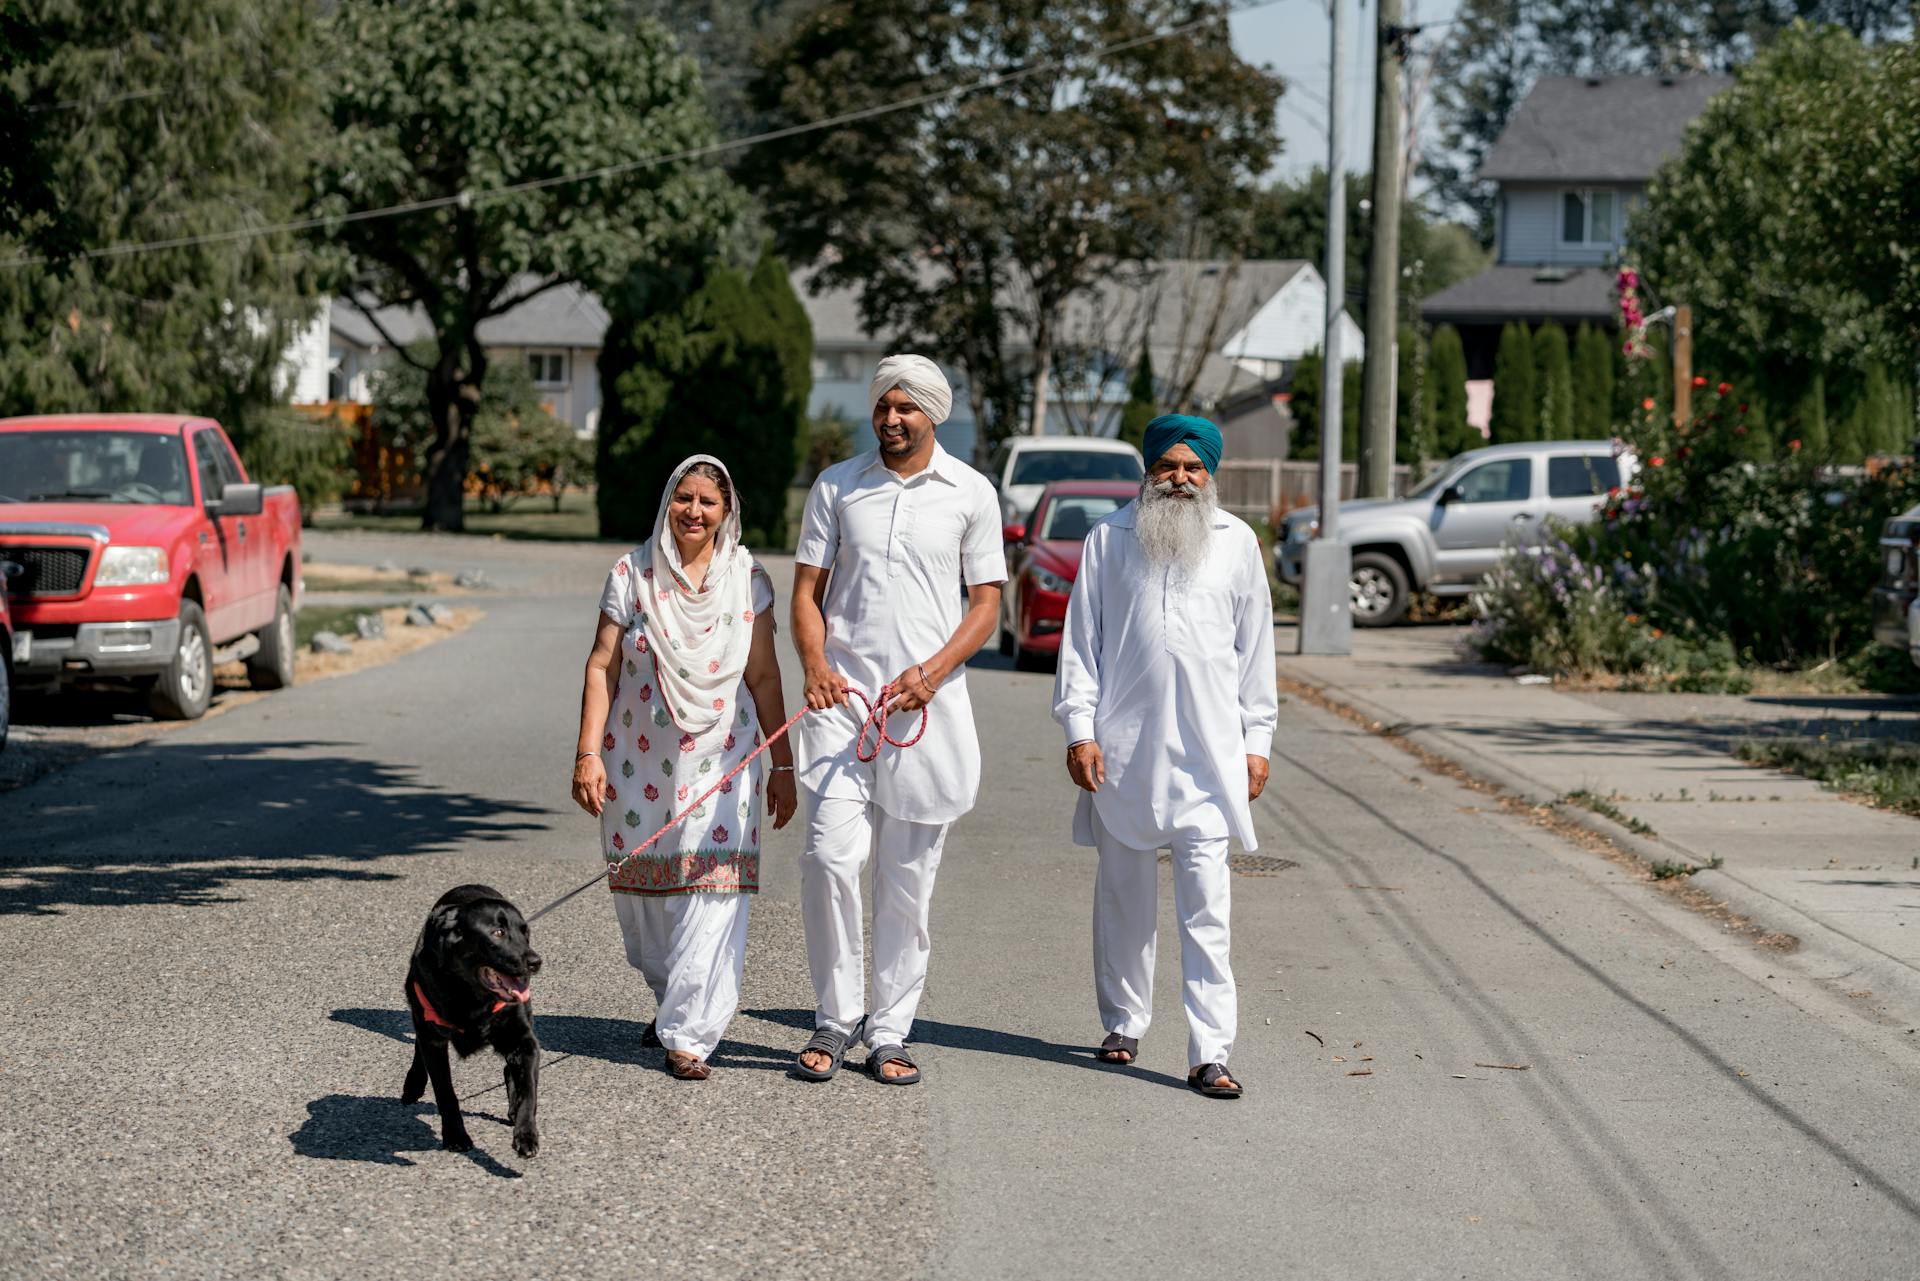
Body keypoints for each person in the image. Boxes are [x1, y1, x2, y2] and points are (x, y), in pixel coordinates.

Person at [789, 354, 1005, 1085]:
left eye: (906, 408)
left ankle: (889, 1029)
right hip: (841, 712)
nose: (891, 419)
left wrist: (931, 675)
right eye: (883, 406)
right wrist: (815, 665)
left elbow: (986, 606)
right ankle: (834, 1015)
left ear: (933, 413)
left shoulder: (970, 493)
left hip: (925, 715)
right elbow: (807, 592)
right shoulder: (837, 486)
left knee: (907, 882)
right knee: (827, 859)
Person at [1051, 414, 1278, 1100]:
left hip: (1210, 760)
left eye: (1193, 467)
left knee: (1207, 906)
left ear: (1211, 474)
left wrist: (1257, 741)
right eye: (1168, 466)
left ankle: (1211, 1050)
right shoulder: (1108, 539)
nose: (1180, 478)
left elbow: (1256, 652)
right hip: (1124, 752)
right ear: (1147, 471)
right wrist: (1078, 731)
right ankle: (1123, 1022)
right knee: (1123, 898)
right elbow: (1080, 646)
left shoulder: (1237, 544)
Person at [571, 455, 798, 1081]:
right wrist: (587, 753)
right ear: (668, 501)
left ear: (727, 513)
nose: (694, 512)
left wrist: (783, 766)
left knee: (711, 890)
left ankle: (691, 1034)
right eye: (684, 498)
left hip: (725, 762)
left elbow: (764, 677)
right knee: (646, 907)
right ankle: (673, 995)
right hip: (636, 762)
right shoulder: (631, 575)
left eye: (709, 502)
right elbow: (602, 666)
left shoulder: (747, 579)